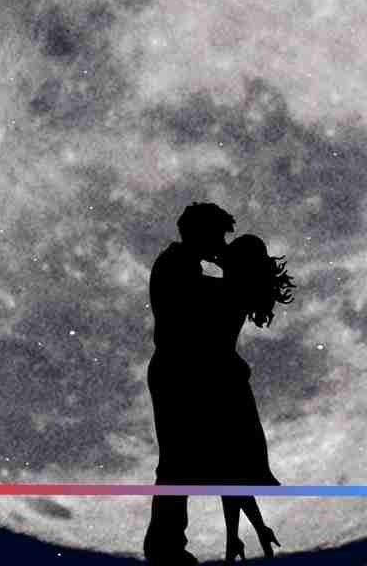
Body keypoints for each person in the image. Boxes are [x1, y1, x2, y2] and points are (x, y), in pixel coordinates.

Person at [143, 201, 236, 565]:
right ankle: (164, 547)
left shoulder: (182, 264)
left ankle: (167, 544)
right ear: (202, 233)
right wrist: (236, 277)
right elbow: (203, 303)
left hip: (178, 370)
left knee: (179, 461)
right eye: (218, 237)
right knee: (176, 462)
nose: (221, 245)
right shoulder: (177, 265)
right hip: (175, 372)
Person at [208, 233, 296, 561]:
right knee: (230, 468)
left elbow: (205, 281)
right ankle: (245, 534)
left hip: (222, 386)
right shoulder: (237, 291)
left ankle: (242, 535)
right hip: (227, 384)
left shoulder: (225, 291)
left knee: (228, 468)